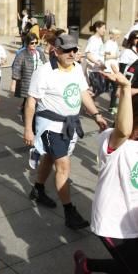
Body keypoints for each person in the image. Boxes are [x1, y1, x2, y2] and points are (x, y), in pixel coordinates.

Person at [73, 67, 138, 274]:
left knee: (131, 269)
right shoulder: (113, 141)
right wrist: (124, 90)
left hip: (135, 223)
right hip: (113, 225)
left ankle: (87, 266)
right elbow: (124, 129)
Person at [24, 33, 108, 229]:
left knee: (49, 158)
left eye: (75, 49)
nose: (72, 53)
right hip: (50, 126)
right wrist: (28, 129)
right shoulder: (44, 72)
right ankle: (70, 212)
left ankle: (38, 189)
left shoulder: (77, 68)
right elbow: (31, 101)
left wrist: (96, 115)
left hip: (70, 125)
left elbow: (82, 93)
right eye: (67, 50)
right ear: (56, 50)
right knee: (63, 167)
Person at [10, 32, 46, 120]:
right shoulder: (22, 54)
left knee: (36, 101)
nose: (34, 45)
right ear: (27, 43)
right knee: (29, 100)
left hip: (39, 81)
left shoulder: (40, 53)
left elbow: (46, 64)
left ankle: (31, 116)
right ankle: (27, 117)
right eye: (32, 43)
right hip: (27, 81)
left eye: (36, 42)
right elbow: (16, 68)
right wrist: (14, 83)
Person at [85, 21, 107, 97]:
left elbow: (98, 53)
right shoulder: (93, 39)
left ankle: (89, 105)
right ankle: (88, 106)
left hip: (98, 69)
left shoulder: (99, 39)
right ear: (97, 29)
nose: (105, 30)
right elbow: (88, 54)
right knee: (95, 90)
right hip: (92, 70)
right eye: (103, 28)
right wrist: (98, 63)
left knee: (100, 89)